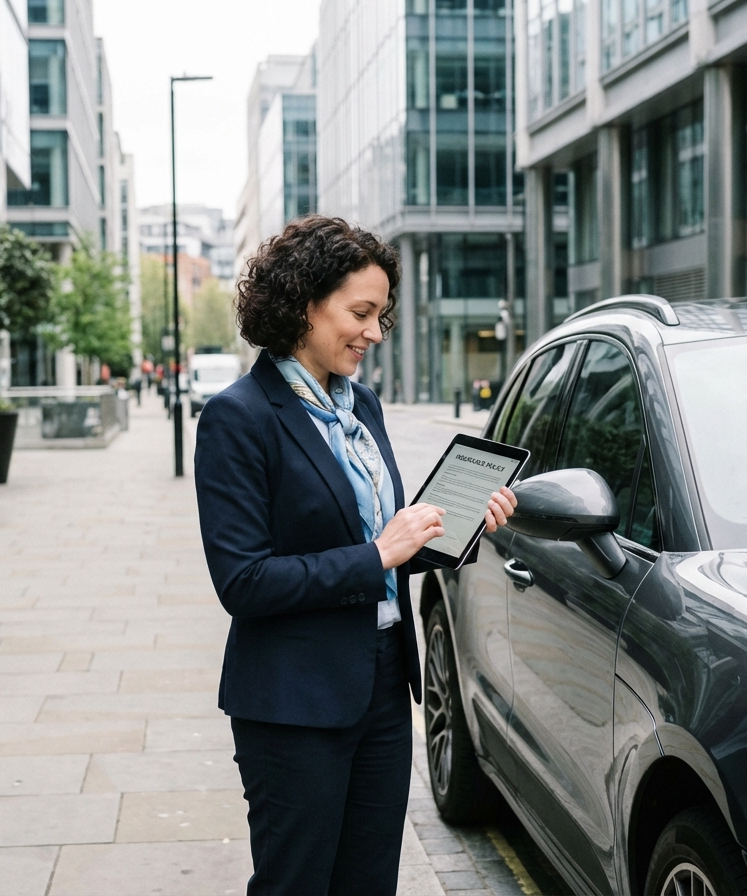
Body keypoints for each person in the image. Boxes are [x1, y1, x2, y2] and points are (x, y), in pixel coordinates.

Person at [194, 216, 516, 896]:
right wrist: (377, 555)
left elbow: (388, 543)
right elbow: (243, 580)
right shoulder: (239, 418)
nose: (375, 332)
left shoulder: (361, 404)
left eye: (381, 315)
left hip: (380, 685)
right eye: (361, 313)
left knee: (369, 883)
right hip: (293, 700)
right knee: (297, 884)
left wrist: (457, 528)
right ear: (306, 305)